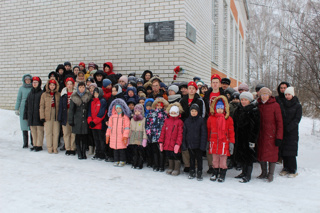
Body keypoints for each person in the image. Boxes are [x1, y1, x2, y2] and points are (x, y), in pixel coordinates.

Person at [257, 87, 283, 182]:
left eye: (266, 95)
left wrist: (279, 137)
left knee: (272, 156)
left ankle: (270, 174)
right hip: (261, 134)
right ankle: (263, 172)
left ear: (269, 95)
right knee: (261, 154)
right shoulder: (258, 105)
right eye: (262, 95)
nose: (264, 97)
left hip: (271, 135)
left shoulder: (275, 105)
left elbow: (279, 122)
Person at [233, 92, 260, 183]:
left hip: (249, 137)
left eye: (245, 100)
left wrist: (253, 140)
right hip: (240, 136)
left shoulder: (254, 110)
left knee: (249, 156)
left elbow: (256, 126)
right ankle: (243, 172)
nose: (243, 102)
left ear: (249, 100)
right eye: (242, 100)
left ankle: (248, 174)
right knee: (242, 155)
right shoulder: (239, 109)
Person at [207, 96, 235, 183]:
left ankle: (222, 174)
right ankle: (215, 173)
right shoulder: (211, 118)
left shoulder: (228, 119)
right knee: (215, 160)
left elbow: (231, 132)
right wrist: (208, 141)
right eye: (218, 108)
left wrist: (231, 143)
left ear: (224, 109)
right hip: (214, 142)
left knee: (223, 161)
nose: (219, 110)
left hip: (224, 143)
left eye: (221, 108)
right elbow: (208, 130)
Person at [179, 81, 205, 173]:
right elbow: (180, 112)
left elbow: (202, 113)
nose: (191, 90)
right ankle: (187, 164)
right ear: (187, 89)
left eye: (193, 88)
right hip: (185, 124)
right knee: (185, 144)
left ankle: (196, 164)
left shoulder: (199, 100)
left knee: (195, 145)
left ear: (196, 90)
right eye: (189, 88)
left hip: (196, 124)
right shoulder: (182, 100)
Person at [203, 74, 226, 174]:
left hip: (221, 121)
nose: (215, 84)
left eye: (217, 82)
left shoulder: (223, 94)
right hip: (210, 120)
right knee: (210, 142)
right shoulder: (207, 94)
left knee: (219, 143)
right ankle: (211, 165)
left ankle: (220, 165)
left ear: (220, 84)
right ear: (211, 83)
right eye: (213, 82)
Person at [280, 87, 302, 178]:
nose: (287, 96)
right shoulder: (283, 104)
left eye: (289, 94)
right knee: (284, 150)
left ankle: (292, 169)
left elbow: (297, 119)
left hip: (292, 131)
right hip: (283, 130)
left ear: (292, 95)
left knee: (291, 151)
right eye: (286, 94)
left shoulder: (297, 105)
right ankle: (285, 168)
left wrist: (289, 127)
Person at [182, 103, 207, 181]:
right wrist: (184, 143)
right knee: (191, 158)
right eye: (192, 111)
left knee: (199, 159)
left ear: (198, 112)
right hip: (190, 143)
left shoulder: (201, 121)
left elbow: (204, 133)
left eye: (195, 111)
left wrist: (203, 145)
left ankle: (199, 171)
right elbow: (184, 133)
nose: (193, 112)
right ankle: (192, 170)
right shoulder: (187, 121)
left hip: (199, 144)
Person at [158, 103, 184, 176]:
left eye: (174, 113)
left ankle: (176, 168)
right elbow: (163, 132)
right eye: (172, 112)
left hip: (175, 143)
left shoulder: (179, 122)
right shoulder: (167, 121)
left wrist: (178, 144)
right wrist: (161, 142)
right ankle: (170, 167)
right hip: (167, 143)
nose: (173, 114)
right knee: (169, 155)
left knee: (175, 156)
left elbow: (180, 134)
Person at [68, 82, 92, 159]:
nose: (81, 89)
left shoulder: (88, 96)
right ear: (78, 88)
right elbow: (71, 110)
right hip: (77, 119)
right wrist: (71, 120)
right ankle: (79, 153)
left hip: (85, 119)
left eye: (83, 87)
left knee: (84, 136)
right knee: (77, 136)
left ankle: (84, 152)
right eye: (80, 87)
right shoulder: (74, 97)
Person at [145, 97, 169, 172]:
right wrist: (149, 133)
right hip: (153, 135)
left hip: (162, 136)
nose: (159, 107)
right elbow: (147, 124)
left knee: (161, 151)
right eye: (157, 105)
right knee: (155, 151)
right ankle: (156, 165)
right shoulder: (151, 114)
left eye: (160, 105)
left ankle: (161, 165)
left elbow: (167, 125)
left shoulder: (165, 115)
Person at [106, 99, 131, 167]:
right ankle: (116, 160)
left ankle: (122, 160)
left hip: (121, 136)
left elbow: (127, 128)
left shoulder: (125, 118)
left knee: (121, 149)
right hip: (114, 136)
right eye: (117, 108)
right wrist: (107, 135)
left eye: (120, 108)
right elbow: (109, 127)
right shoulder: (112, 117)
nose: (118, 109)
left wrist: (125, 136)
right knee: (115, 149)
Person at [40, 79, 61, 154]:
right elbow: (42, 106)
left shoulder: (58, 94)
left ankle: (55, 147)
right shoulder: (44, 94)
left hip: (56, 114)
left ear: (56, 86)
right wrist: (42, 116)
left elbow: (60, 106)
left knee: (56, 132)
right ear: (48, 86)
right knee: (48, 132)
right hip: (47, 115)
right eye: (51, 85)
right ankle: (49, 147)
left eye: (53, 85)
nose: (52, 86)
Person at [24, 76, 44, 151]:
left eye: (36, 82)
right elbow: (26, 104)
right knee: (33, 131)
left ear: (39, 83)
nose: (34, 84)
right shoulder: (30, 93)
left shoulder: (41, 93)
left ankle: (39, 145)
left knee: (39, 131)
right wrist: (26, 115)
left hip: (38, 116)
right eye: (33, 82)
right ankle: (35, 144)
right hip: (31, 116)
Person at [58, 77, 76, 156]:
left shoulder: (76, 93)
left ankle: (73, 148)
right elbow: (60, 106)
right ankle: (67, 148)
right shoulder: (63, 94)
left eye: (70, 84)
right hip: (65, 114)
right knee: (66, 132)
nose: (69, 85)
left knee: (73, 132)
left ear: (73, 85)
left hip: (73, 114)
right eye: (68, 84)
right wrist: (60, 117)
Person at [88, 87, 108, 161]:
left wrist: (95, 121)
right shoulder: (92, 101)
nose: (96, 95)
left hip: (99, 124)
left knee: (101, 140)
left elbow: (102, 113)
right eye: (95, 93)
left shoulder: (102, 101)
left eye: (97, 93)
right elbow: (89, 112)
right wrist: (90, 121)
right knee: (96, 140)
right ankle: (97, 153)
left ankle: (102, 154)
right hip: (93, 125)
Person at [15, 74, 32, 148]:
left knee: (31, 126)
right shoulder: (21, 88)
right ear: (24, 81)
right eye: (26, 80)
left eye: (29, 80)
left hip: (31, 106)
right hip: (23, 107)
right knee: (24, 126)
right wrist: (16, 108)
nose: (28, 81)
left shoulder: (32, 88)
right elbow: (19, 99)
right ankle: (25, 143)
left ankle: (33, 142)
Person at [128, 104, 147, 169]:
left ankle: (140, 164)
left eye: (138, 111)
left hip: (140, 136)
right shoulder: (132, 119)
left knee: (140, 152)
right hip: (133, 136)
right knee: (134, 151)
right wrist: (129, 137)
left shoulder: (143, 119)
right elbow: (130, 128)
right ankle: (134, 163)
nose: (137, 113)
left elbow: (144, 129)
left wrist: (144, 139)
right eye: (135, 111)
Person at [275, 82, 291, 164]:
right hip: (278, 122)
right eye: (281, 88)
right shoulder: (277, 99)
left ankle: (285, 159)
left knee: (287, 143)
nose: (283, 89)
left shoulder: (290, 98)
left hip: (288, 123)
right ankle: (278, 157)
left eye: (284, 88)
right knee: (278, 141)